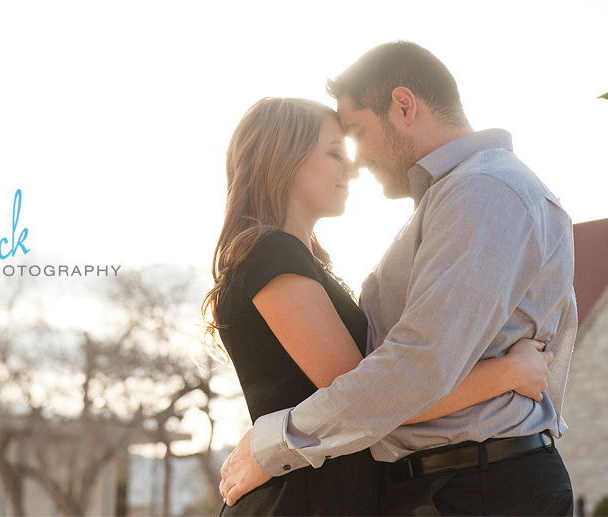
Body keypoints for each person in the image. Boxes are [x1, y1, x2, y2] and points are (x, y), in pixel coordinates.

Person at [219, 41, 577, 516]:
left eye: (356, 134)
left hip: (482, 484)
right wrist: (507, 373)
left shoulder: (483, 191)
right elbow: (392, 375)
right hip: (439, 486)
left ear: (405, 106)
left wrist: (272, 445)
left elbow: (412, 371)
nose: (356, 162)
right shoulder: (453, 198)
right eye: (336, 148)